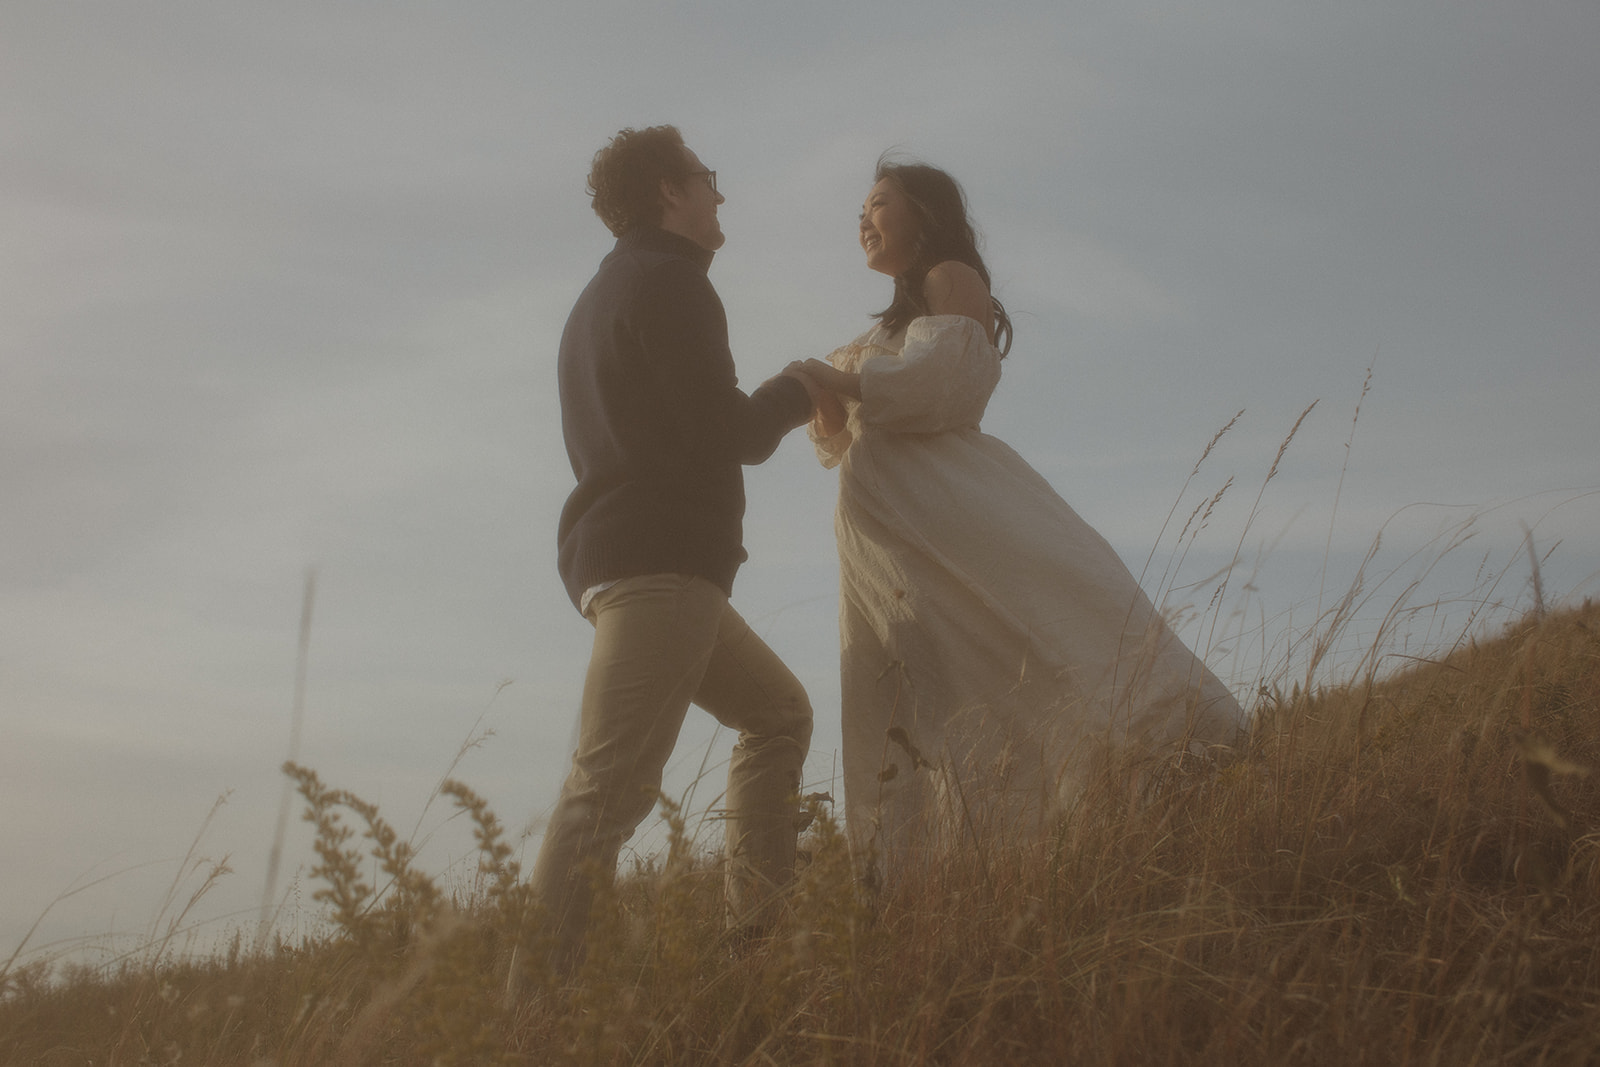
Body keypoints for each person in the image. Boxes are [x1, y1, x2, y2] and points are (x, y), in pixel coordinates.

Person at [800, 159, 1245, 878]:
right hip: (885, 545)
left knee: (1017, 646)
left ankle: (1139, 787)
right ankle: (942, 869)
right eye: (860, 207)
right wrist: (819, 388)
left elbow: (945, 383)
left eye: (879, 202)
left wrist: (836, 379)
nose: (863, 217)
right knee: (925, 691)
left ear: (923, 211)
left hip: (946, 510)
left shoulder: (951, 278)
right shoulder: (879, 330)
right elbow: (840, 439)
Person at [532, 126, 819, 970]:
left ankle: (755, 942)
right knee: (604, 793)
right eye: (707, 178)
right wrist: (797, 390)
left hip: (633, 566)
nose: (719, 194)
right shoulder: (674, 284)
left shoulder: (604, 292)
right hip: (660, 569)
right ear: (668, 191)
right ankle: (531, 1014)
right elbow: (729, 430)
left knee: (778, 714)